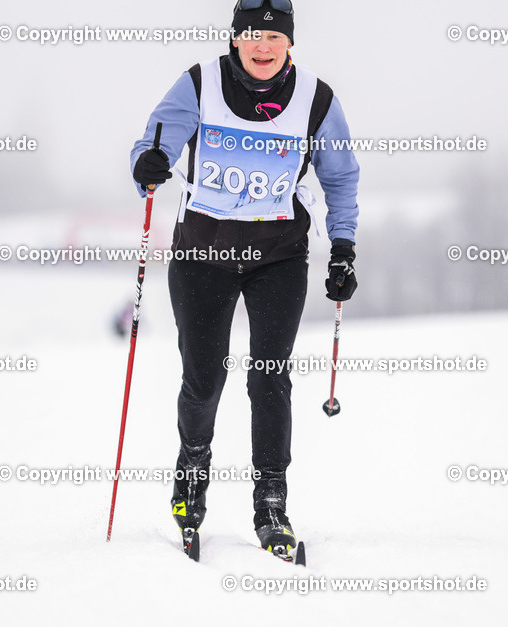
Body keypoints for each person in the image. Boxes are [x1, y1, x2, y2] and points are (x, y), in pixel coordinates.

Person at [129, 0, 359, 559]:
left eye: (273, 36)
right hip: (202, 252)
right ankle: (191, 473)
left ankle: (271, 500)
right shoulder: (199, 83)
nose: (262, 45)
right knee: (205, 378)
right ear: (236, 39)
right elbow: (151, 144)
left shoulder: (318, 100)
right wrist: (148, 165)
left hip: (276, 255)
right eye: (252, 34)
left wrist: (344, 246)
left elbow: (341, 175)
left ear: (289, 42)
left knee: (269, 377)